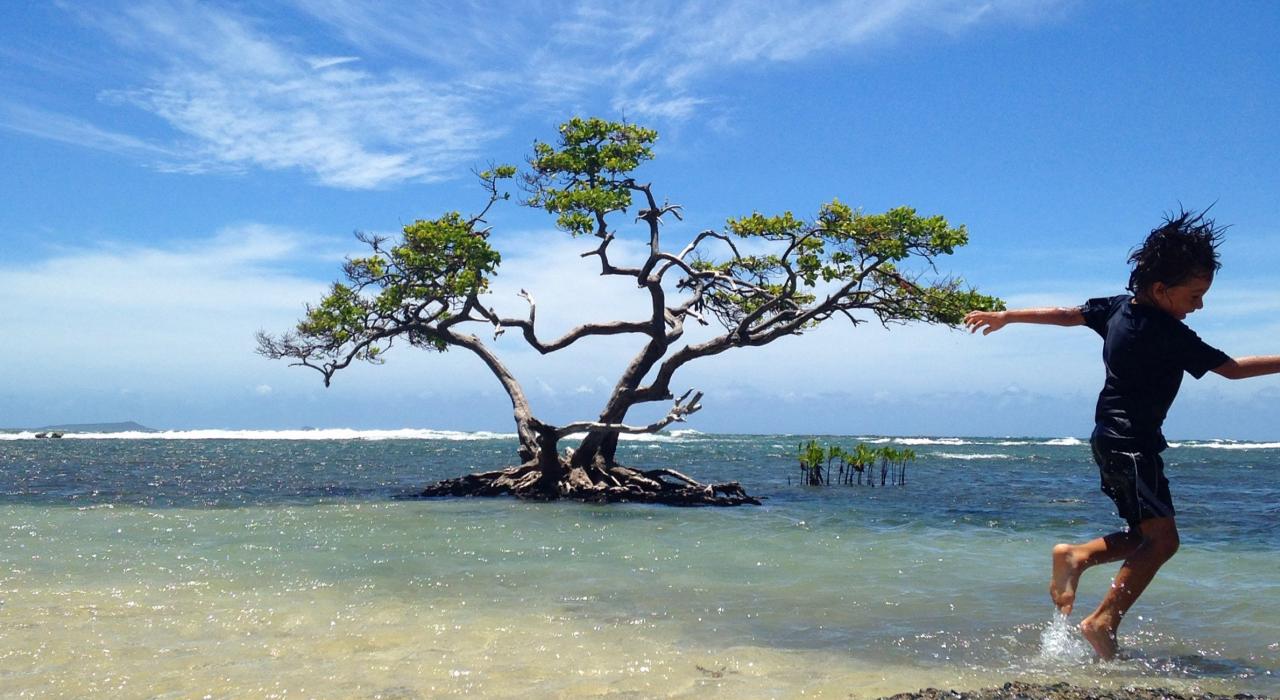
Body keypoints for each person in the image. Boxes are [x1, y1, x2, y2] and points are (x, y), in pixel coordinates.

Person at [962, 210, 1280, 659]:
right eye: (1195, 296)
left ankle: (1077, 557)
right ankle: (1102, 620)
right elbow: (1232, 370)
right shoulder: (1169, 332)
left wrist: (1008, 316)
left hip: (1109, 439)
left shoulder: (1116, 308)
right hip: (1132, 446)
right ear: (1161, 289)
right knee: (1163, 540)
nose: (1199, 306)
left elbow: (1066, 315)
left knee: (1147, 535)